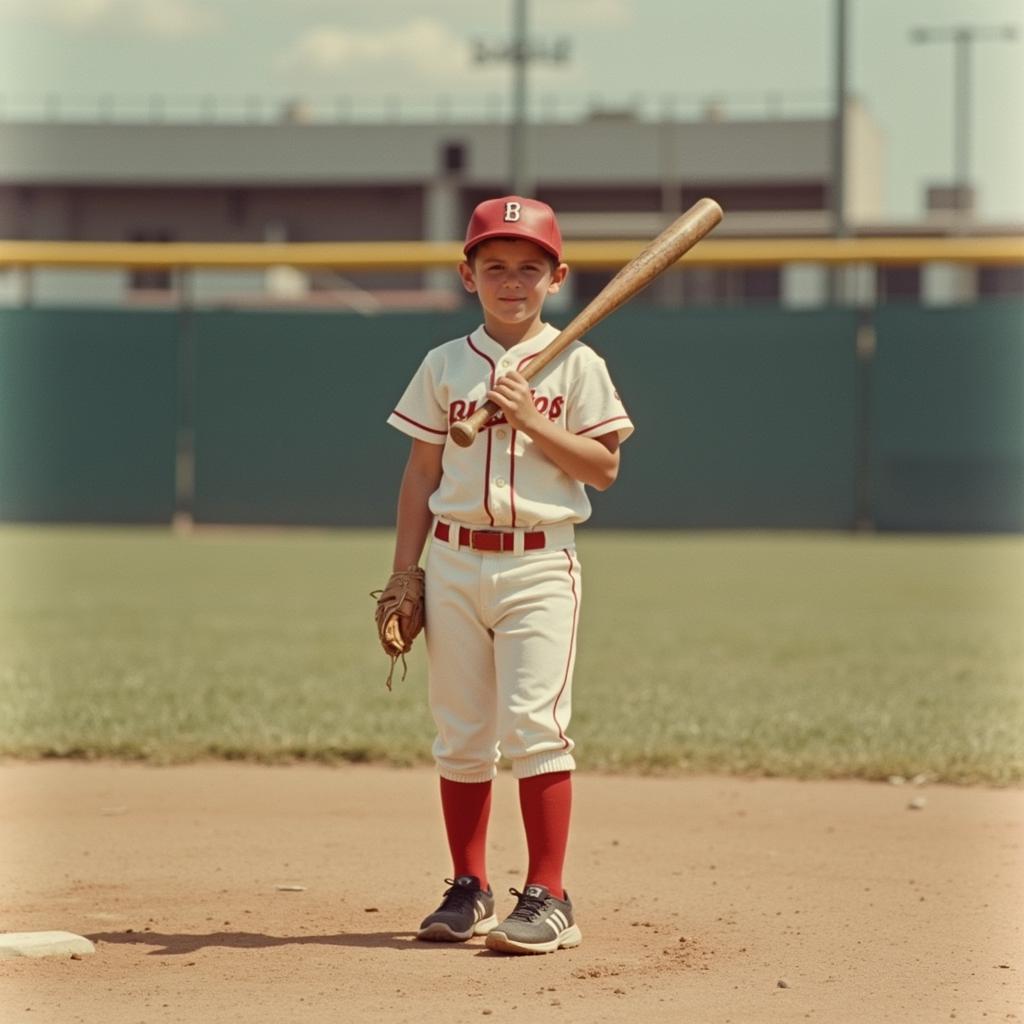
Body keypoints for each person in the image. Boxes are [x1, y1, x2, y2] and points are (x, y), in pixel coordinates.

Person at [384, 195, 633, 955]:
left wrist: (532, 419)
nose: (513, 281)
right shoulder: (444, 365)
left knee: (534, 726)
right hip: (454, 560)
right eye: (496, 267)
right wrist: (405, 572)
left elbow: (606, 466)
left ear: (557, 278)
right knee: (460, 734)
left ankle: (550, 894)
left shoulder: (580, 362)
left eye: (530, 268)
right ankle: (469, 886)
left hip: (539, 563)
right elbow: (421, 469)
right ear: (469, 275)